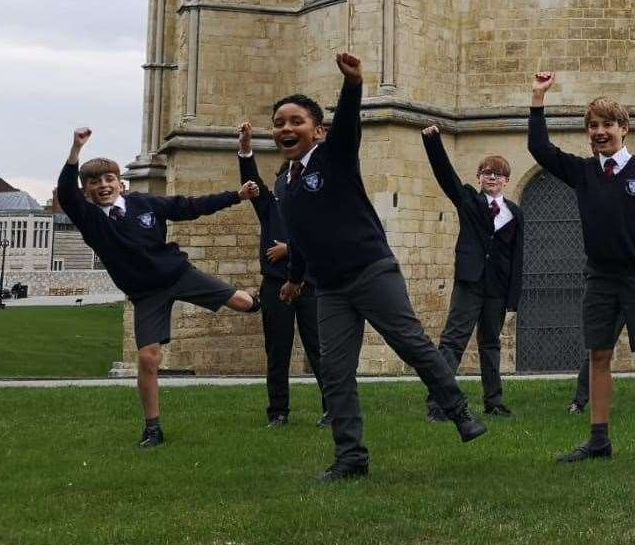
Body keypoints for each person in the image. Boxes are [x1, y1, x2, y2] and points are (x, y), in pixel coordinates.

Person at [274, 53, 487, 482]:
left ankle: (459, 411)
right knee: (335, 374)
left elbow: (349, 126)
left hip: (372, 271)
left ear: (318, 131)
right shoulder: (284, 181)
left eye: (296, 121)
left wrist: (353, 86)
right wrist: (296, 280)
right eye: (279, 122)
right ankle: (351, 457)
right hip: (331, 288)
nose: (286, 128)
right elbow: (300, 238)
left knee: (412, 345)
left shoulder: (333, 158)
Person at [57, 127, 261, 447]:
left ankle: (260, 299)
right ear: (87, 192)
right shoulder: (88, 218)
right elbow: (65, 192)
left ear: (120, 184)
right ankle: (153, 429)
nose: (103, 186)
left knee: (244, 304)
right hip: (146, 295)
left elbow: (190, 206)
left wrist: (236, 196)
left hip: (179, 274)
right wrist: (75, 149)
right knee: (149, 359)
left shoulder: (144, 203)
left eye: (108, 179)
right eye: (94, 183)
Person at [528, 72, 635, 463]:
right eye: (593, 126)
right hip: (599, 278)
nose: (599, 132)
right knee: (598, 354)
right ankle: (599, 440)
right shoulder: (583, 173)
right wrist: (537, 99)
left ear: (624, 128)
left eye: (607, 125)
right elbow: (540, 148)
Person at [421, 126, 524, 421]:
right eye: (486, 172)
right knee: (453, 341)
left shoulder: (515, 213)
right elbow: (446, 176)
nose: (492, 177)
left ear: (506, 180)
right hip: (470, 282)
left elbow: (518, 257)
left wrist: (512, 298)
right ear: (479, 178)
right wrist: (433, 142)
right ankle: (439, 402)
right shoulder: (469, 200)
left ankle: (494, 401)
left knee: (491, 343)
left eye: (498, 173)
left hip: (497, 287)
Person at [237, 121, 326, 428]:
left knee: (319, 349)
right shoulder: (270, 206)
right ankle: (278, 412)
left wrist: (290, 249)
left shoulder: (313, 201)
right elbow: (251, 181)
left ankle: (332, 408)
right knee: (277, 349)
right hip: (275, 284)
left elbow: (322, 236)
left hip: (309, 283)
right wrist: (246, 148)